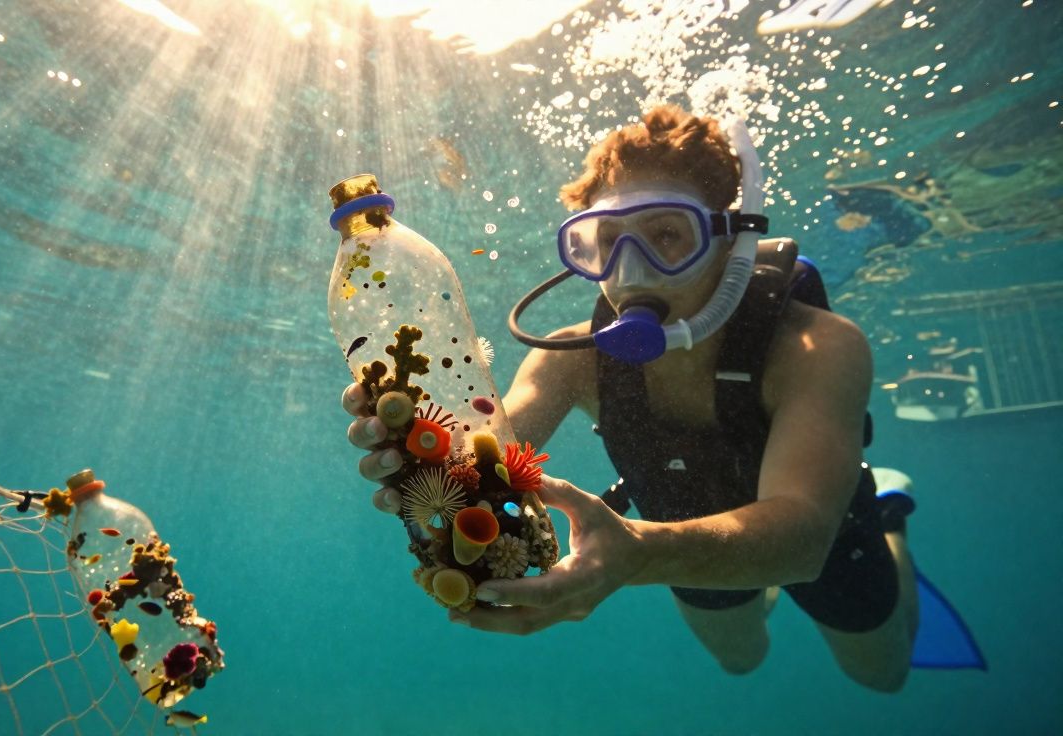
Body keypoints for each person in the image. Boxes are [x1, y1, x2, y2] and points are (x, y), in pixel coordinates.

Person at [342, 106, 978, 692]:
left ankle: (890, 521)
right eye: (605, 241)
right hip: (677, 535)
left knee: (881, 674)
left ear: (729, 241)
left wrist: (639, 553)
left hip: (814, 534)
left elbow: (803, 541)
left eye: (668, 235)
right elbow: (489, 452)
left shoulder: (819, 346)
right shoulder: (572, 358)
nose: (631, 269)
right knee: (740, 658)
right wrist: (419, 450)